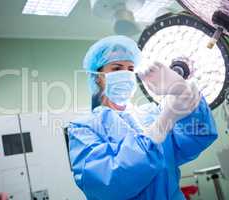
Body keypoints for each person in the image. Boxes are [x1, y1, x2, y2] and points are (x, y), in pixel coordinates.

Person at [68, 35, 218, 200]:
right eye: (117, 68)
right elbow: (107, 184)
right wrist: (160, 127)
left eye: (130, 69)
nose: (125, 74)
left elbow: (198, 137)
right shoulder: (83, 128)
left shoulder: (151, 114)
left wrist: (182, 91)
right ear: (98, 76)